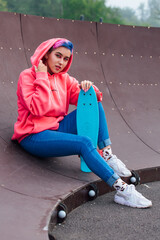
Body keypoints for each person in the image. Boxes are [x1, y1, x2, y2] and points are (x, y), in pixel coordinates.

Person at [12, 38, 152, 208]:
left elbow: (92, 100)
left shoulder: (64, 79)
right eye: (58, 55)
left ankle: (107, 154)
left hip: (57, 128)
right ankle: (123, 190)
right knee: (84, 143)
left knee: (93, 103)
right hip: (34, 136)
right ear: (46, 54)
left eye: (65, 58)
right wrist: (42, 76)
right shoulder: (27, 76)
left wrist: (88, 89)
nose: (61, 62)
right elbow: (38, 109)